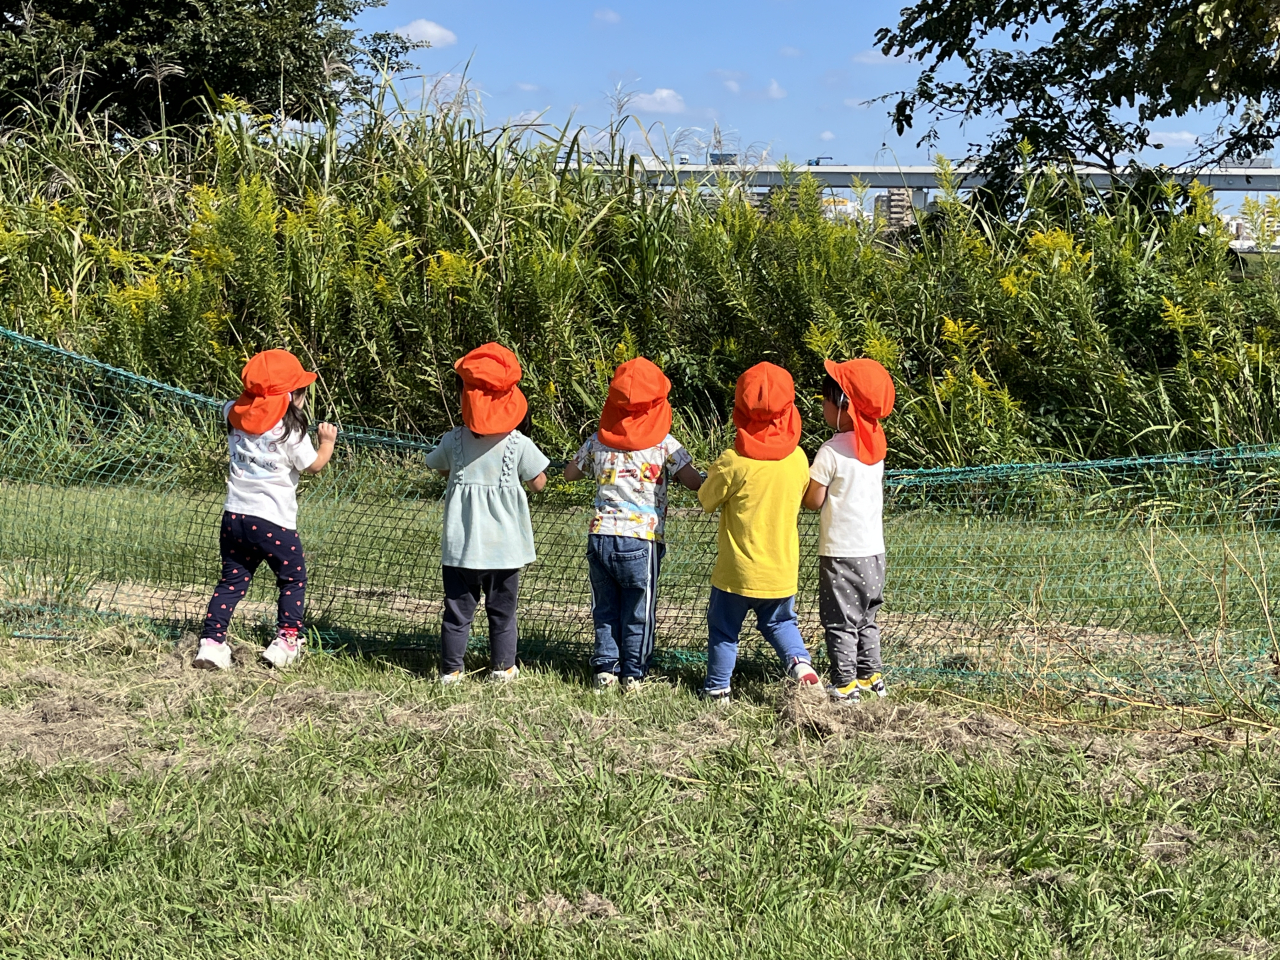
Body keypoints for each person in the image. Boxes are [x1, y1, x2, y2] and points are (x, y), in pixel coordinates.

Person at [563, 357, 704, 691]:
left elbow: (570, 473)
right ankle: (634, 673)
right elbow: (695, 482)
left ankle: (605, 670)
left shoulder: (598, 440)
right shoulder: (665, 443)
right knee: (640, 609)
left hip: (600, 535)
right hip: (642, 540)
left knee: (606, 607)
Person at [194, 350, 337, 671]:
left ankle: (212, 644)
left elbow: (233, 403)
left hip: (234, 519)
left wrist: (254, 397)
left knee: (231, 582)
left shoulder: (234, 415)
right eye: (300, 392)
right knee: (292, 579)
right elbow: (313, 466)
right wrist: (327, 442)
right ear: (290, 397)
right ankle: (286, 641)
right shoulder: (292, 432)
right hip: (274, 523)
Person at [425, 343, 550, 684]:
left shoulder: (453, 441)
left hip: (461, 548)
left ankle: (451, 670)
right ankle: (503, 668)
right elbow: (539, 482)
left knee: (456, 613)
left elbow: (436, 466)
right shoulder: (518, 443)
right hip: (504, 550)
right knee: (503, 613)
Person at [696, 362, 820, 701]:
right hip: (780, 571)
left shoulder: (733, 461)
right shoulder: (797, 460)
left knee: (724, 630)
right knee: (781, 623)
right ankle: (801, 665)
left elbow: (706, 498)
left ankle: (718, 689)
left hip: (735, 573)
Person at [802, 358, 895, 702]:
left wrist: (806, 481)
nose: (823, 407)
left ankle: (844, 685)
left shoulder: (830, 451)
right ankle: (871, 677)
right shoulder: (877, 448)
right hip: (873, 552)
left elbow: (813, 500)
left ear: (843, 406)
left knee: (839, 622)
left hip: (840, 554)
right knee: (866, 618)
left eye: (827, 400)